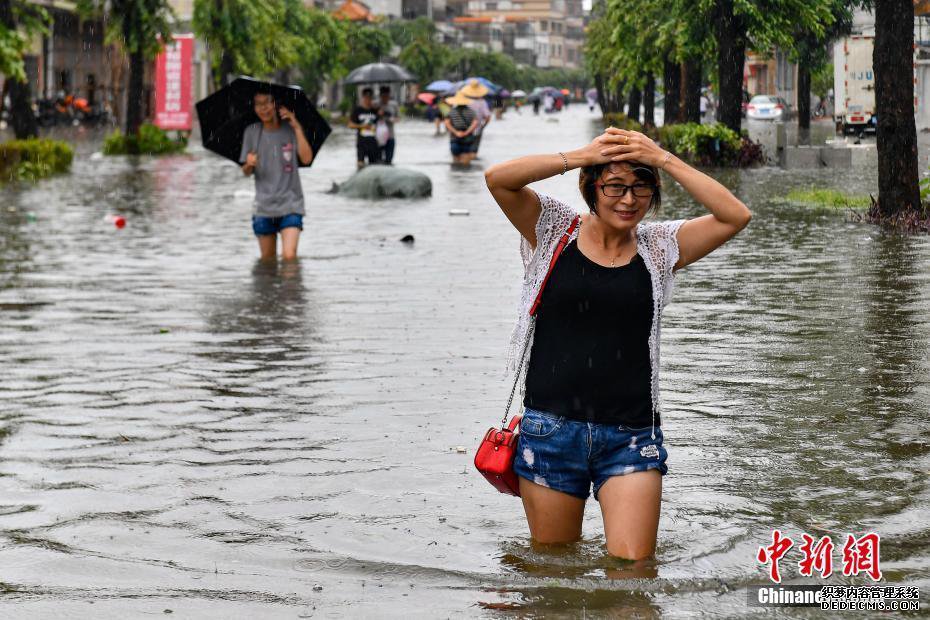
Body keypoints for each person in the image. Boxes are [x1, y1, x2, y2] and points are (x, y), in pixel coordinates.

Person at [483, 127, 752, 562]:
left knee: (634, 575)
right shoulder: (553, 230)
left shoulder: (660, 247)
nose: (629, 200)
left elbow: (734, 215)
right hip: (551, 429)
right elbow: (499, 178)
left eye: (641, 188)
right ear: (592, 188)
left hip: (631, 436)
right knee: (554, 577)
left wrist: (663, 159)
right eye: (615, 187)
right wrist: (582, 153)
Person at [239, 88, 314, 261]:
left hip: (291, 204)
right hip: (263, 207)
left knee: (289, 257)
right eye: (258, 104)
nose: (263, 108)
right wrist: (248, 164)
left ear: (276, 104)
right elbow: (245, 172)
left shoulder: (290, 130)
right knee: (267, 262)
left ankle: (290, 288)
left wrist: (296, 126)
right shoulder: (251, 132)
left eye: (267, 103)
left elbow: (307, 158)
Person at [348, 87, 380, 168]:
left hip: (373, 141)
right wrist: (362, 126)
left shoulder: (375, 110)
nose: (368, 99)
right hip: (362, 142)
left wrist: (379, 111)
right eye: (366, 97)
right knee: (360, 165)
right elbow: (350, 125)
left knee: (373, 166)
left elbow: (381, 124)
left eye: (370, 98)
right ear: (363, 97)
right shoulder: (358, 110)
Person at [444, 91, 479, 165]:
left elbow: (447, 123)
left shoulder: (451, 112)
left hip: (455, 138)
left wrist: (456, 132)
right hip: (468, 139)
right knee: (466, 163)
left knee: (455, 162)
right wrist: (466, 133)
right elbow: (475, 123)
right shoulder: (471, 112)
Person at [461, 80, 491, 156]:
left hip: (462, 129)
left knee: (463, 152)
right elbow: (487, 117)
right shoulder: (482, 102)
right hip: (477, 130)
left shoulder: (463, 101)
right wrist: (482, 127)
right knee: (473, 152)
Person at [376, 85, 399, 164]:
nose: (385, 98)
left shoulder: (394, 105)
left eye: (387, 96)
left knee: (389, 160)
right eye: (383, 96)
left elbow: (398, 118)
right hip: (378, 136)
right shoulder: (375, 104)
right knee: (378, 160)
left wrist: (391, 119)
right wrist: (378, 114)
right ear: (380, 96)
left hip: (390, 136)